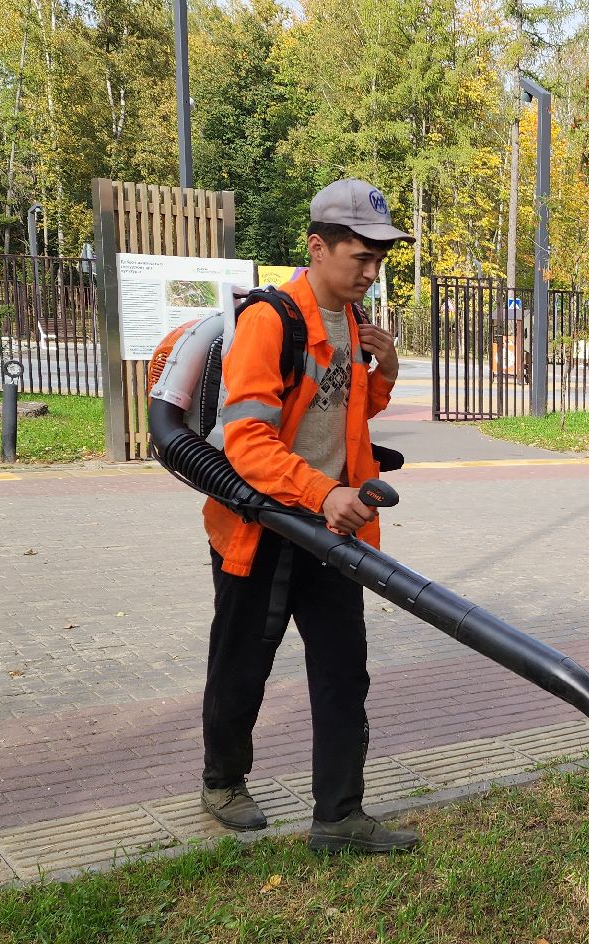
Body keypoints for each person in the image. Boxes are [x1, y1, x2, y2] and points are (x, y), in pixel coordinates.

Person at [197, 178, 419, 855]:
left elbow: (342, 418)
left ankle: (339, 815)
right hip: (260, 531)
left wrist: (384, 373)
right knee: (242, 664)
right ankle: (222, 782)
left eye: (380, 259)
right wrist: (321, 493)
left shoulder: (352, 326)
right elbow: (248, 442)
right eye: (362, 257)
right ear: (318, 248)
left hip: (329, 535)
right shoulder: (272, 321)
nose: (372, 272)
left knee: (343, 671)